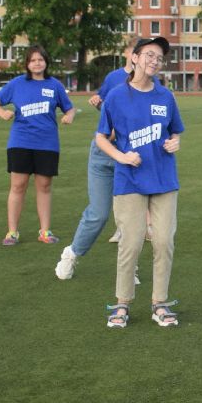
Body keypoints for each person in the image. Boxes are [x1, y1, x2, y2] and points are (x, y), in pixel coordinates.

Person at [96, 36, 185, 329]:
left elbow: (175, 132)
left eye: (159, 58)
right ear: (134, 58)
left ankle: (160, 303)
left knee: (163, 241)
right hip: (129, 181)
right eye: (149, 55)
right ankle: (121, 304)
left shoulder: (166, 96)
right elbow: (100, 137)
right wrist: (121, 157)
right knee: (131, 244)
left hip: (163, 180)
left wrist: (174, 143)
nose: (154, 61)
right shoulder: (117, 96)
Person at [55, 38, 139, 281]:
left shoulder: (153, 88)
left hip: (132, 158)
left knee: (130, 217)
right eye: (139, 53)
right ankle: (71, 254)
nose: (145, 60)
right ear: (130, 54)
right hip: (104, 154)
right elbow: (105, 116)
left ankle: (129, 267)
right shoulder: (115, 79)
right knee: (99, 213)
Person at [0, 46, 75, 246]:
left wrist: (68, 117)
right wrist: (2, 113)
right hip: (20, 142)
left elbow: (69, 108)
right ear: (27, 63)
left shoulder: (54, 85)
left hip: (47, 143)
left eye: (40, 59)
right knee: (18, 186)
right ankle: (12, 232)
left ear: (46, 62)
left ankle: (45, 231)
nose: (37, 63)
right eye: (33, 60)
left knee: (44, 186)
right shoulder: (17, 83)